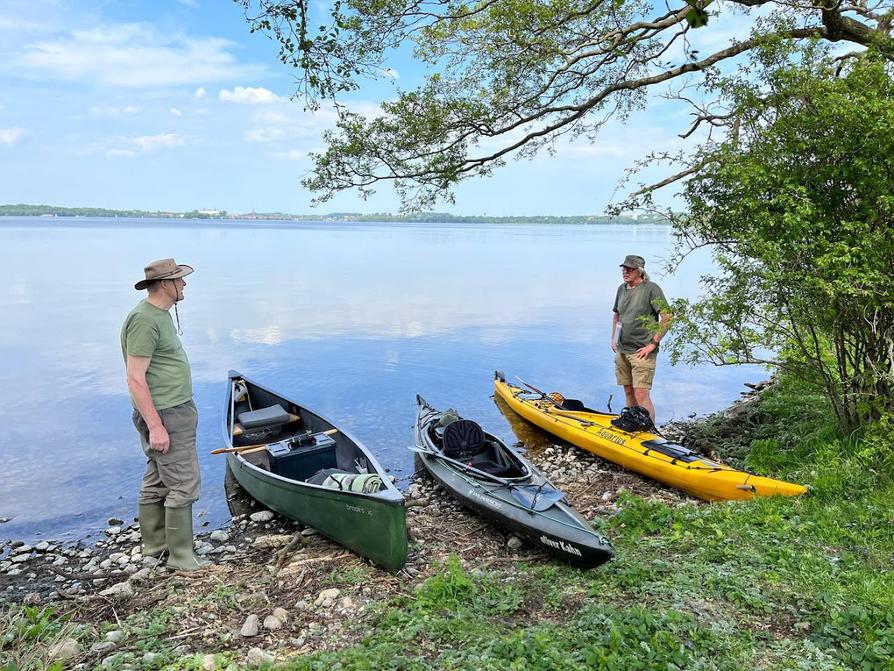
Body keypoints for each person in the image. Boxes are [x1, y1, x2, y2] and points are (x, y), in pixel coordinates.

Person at [121, 258, 208, 571]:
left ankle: (157, 548)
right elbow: (135, 378)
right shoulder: (145, 320)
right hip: (166, 413)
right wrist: (155, 425)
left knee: (159, 477)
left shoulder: (159, 315)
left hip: (173, 409)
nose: (184, 284)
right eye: (180, 279)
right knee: (184, 481)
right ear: (165, 284)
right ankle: (182, 558)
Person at [610, 254, 671, 423]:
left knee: (641, 394)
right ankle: (631, 424)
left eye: (629, 269)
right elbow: (617, 314)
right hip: (622, 350)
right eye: (624, 268)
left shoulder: (651, 289)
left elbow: (667, 317)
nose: (625, 271)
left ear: (640, 271)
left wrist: (652, 344)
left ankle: (650, 430)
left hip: (642, 352)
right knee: (628, 391)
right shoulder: (621, 289)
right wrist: (614, 338)